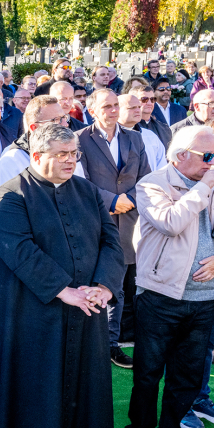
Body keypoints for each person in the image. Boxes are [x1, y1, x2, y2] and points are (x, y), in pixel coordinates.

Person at [0, 123, 125, 428]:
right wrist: (63, 290)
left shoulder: (87, 191)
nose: (71, 161)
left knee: (78, 392)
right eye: (63, 155)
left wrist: (104, 285)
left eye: (74, 154)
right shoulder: (11, 192)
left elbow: (111, 240)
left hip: (84, 309)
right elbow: (16, 248)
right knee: (28, 392)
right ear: (38, 156)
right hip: (27, 314)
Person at [127, 125, 214, 428]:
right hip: (159, 294)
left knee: (185, 376)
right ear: (180, 155)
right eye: (207, 156)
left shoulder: (213, 180)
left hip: (203, 299)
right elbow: (170, 221)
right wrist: (202, 188)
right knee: (147, 373)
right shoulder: (153, 183)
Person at [75, 89, 151, 369]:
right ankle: (91, 343)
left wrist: (128, 200)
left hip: (129, 222)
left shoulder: (135, 138)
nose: (113, 111)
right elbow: (79, 180)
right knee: (95, 283)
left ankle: (112, 344)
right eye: (106, 106)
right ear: (92, 109)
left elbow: (146, 178)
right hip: (95, 222)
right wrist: (111, 201)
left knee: (118, 288)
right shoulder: (80, 139)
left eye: (116, 105)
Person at [0, 96, 66, 201]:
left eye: (64, 118)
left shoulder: (70, 155)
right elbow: (4, 208)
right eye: (57, 120)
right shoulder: (12, 160)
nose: (65, 124)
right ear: (34, 128)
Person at [131, 85, 172, 152]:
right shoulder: (128, 128)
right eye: (144, 99)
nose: (149, 103)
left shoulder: (164, 128)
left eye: (152, 99)